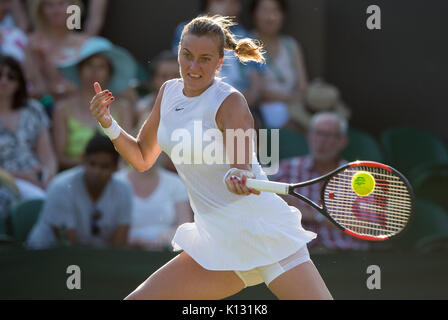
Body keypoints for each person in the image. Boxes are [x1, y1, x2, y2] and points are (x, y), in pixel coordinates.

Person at [90, 15, 332, 300]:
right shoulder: (168, 92)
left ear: (219, 62)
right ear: (179, 52)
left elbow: (242, 166)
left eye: (205, 59)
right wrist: (108, 124)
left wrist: (238, 176)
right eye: (187, 56)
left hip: (262, 232)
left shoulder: (231, 102)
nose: (193, 67)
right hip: (217, 241)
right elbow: (143, 158)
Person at [271, 112, 369, 251]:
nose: (321, 141)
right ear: (309, 136)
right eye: (317, 133)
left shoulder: (359, 177)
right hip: (300, 256)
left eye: (329, 136)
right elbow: (272, 208)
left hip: (347, 256)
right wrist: (320, 217)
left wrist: (302, 211)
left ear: (343, 141)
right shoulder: (286, 169)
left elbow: (368, 224)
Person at [26, 133, 132, 249]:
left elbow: (119, 246)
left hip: (87, 260)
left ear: (115, 168)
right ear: (83, 160)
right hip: (44, 257)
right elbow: (69, 247)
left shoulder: (124, 190)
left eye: (105, 166)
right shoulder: (61, 187)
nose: (97, 172)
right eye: (92, 164)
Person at [53, 36, 136, 170]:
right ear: (80, 69)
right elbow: (60, 158)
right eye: (89, 65)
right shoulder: (62, 108)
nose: (94, 71)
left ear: (109, 73)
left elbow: (128, 152)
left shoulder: (123, 107)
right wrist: (93, 167)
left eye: (101, 66)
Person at [172, 0, 263, 109]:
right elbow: (177, 69)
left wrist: (239, 103)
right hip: (195, 102)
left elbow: (256, 82)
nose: (226, 6)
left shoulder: (246, 36)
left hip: (239, 105)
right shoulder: (185, 30)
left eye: (232, 2)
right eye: (220, 1)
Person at [0, 55, 57, 199]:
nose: (4, 81)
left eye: (11, 77)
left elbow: (47, 156)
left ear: (19, 82)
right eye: (0, 75)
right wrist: (21, 177)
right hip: (4, 181)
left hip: (35, 179)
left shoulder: (33, 109)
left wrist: (47, 177)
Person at [250, 0, 309, 129]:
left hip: (294, 106)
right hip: (262, 110)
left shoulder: (291, 45)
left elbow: (303, 84)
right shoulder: (246, 44)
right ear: (254, 14)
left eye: (275, 10)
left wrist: (297, 97)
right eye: (264, 10)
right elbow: (254, 90)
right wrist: (288, 98)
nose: (270, 16)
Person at [115, 161, 193, 251]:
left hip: (166, 252)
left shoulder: (176, 183)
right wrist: (130, 241)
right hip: (124, 252)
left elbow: (185, 226)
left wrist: (168, 236)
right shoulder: (116, 181)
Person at [24, 0, 89, 99]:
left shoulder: (85, 43)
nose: (56, 10)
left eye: (61, 4)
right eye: (49, 5)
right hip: (44, 106)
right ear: (41, 10)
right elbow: (33, 84)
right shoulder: (33, 44)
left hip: (79, 107)